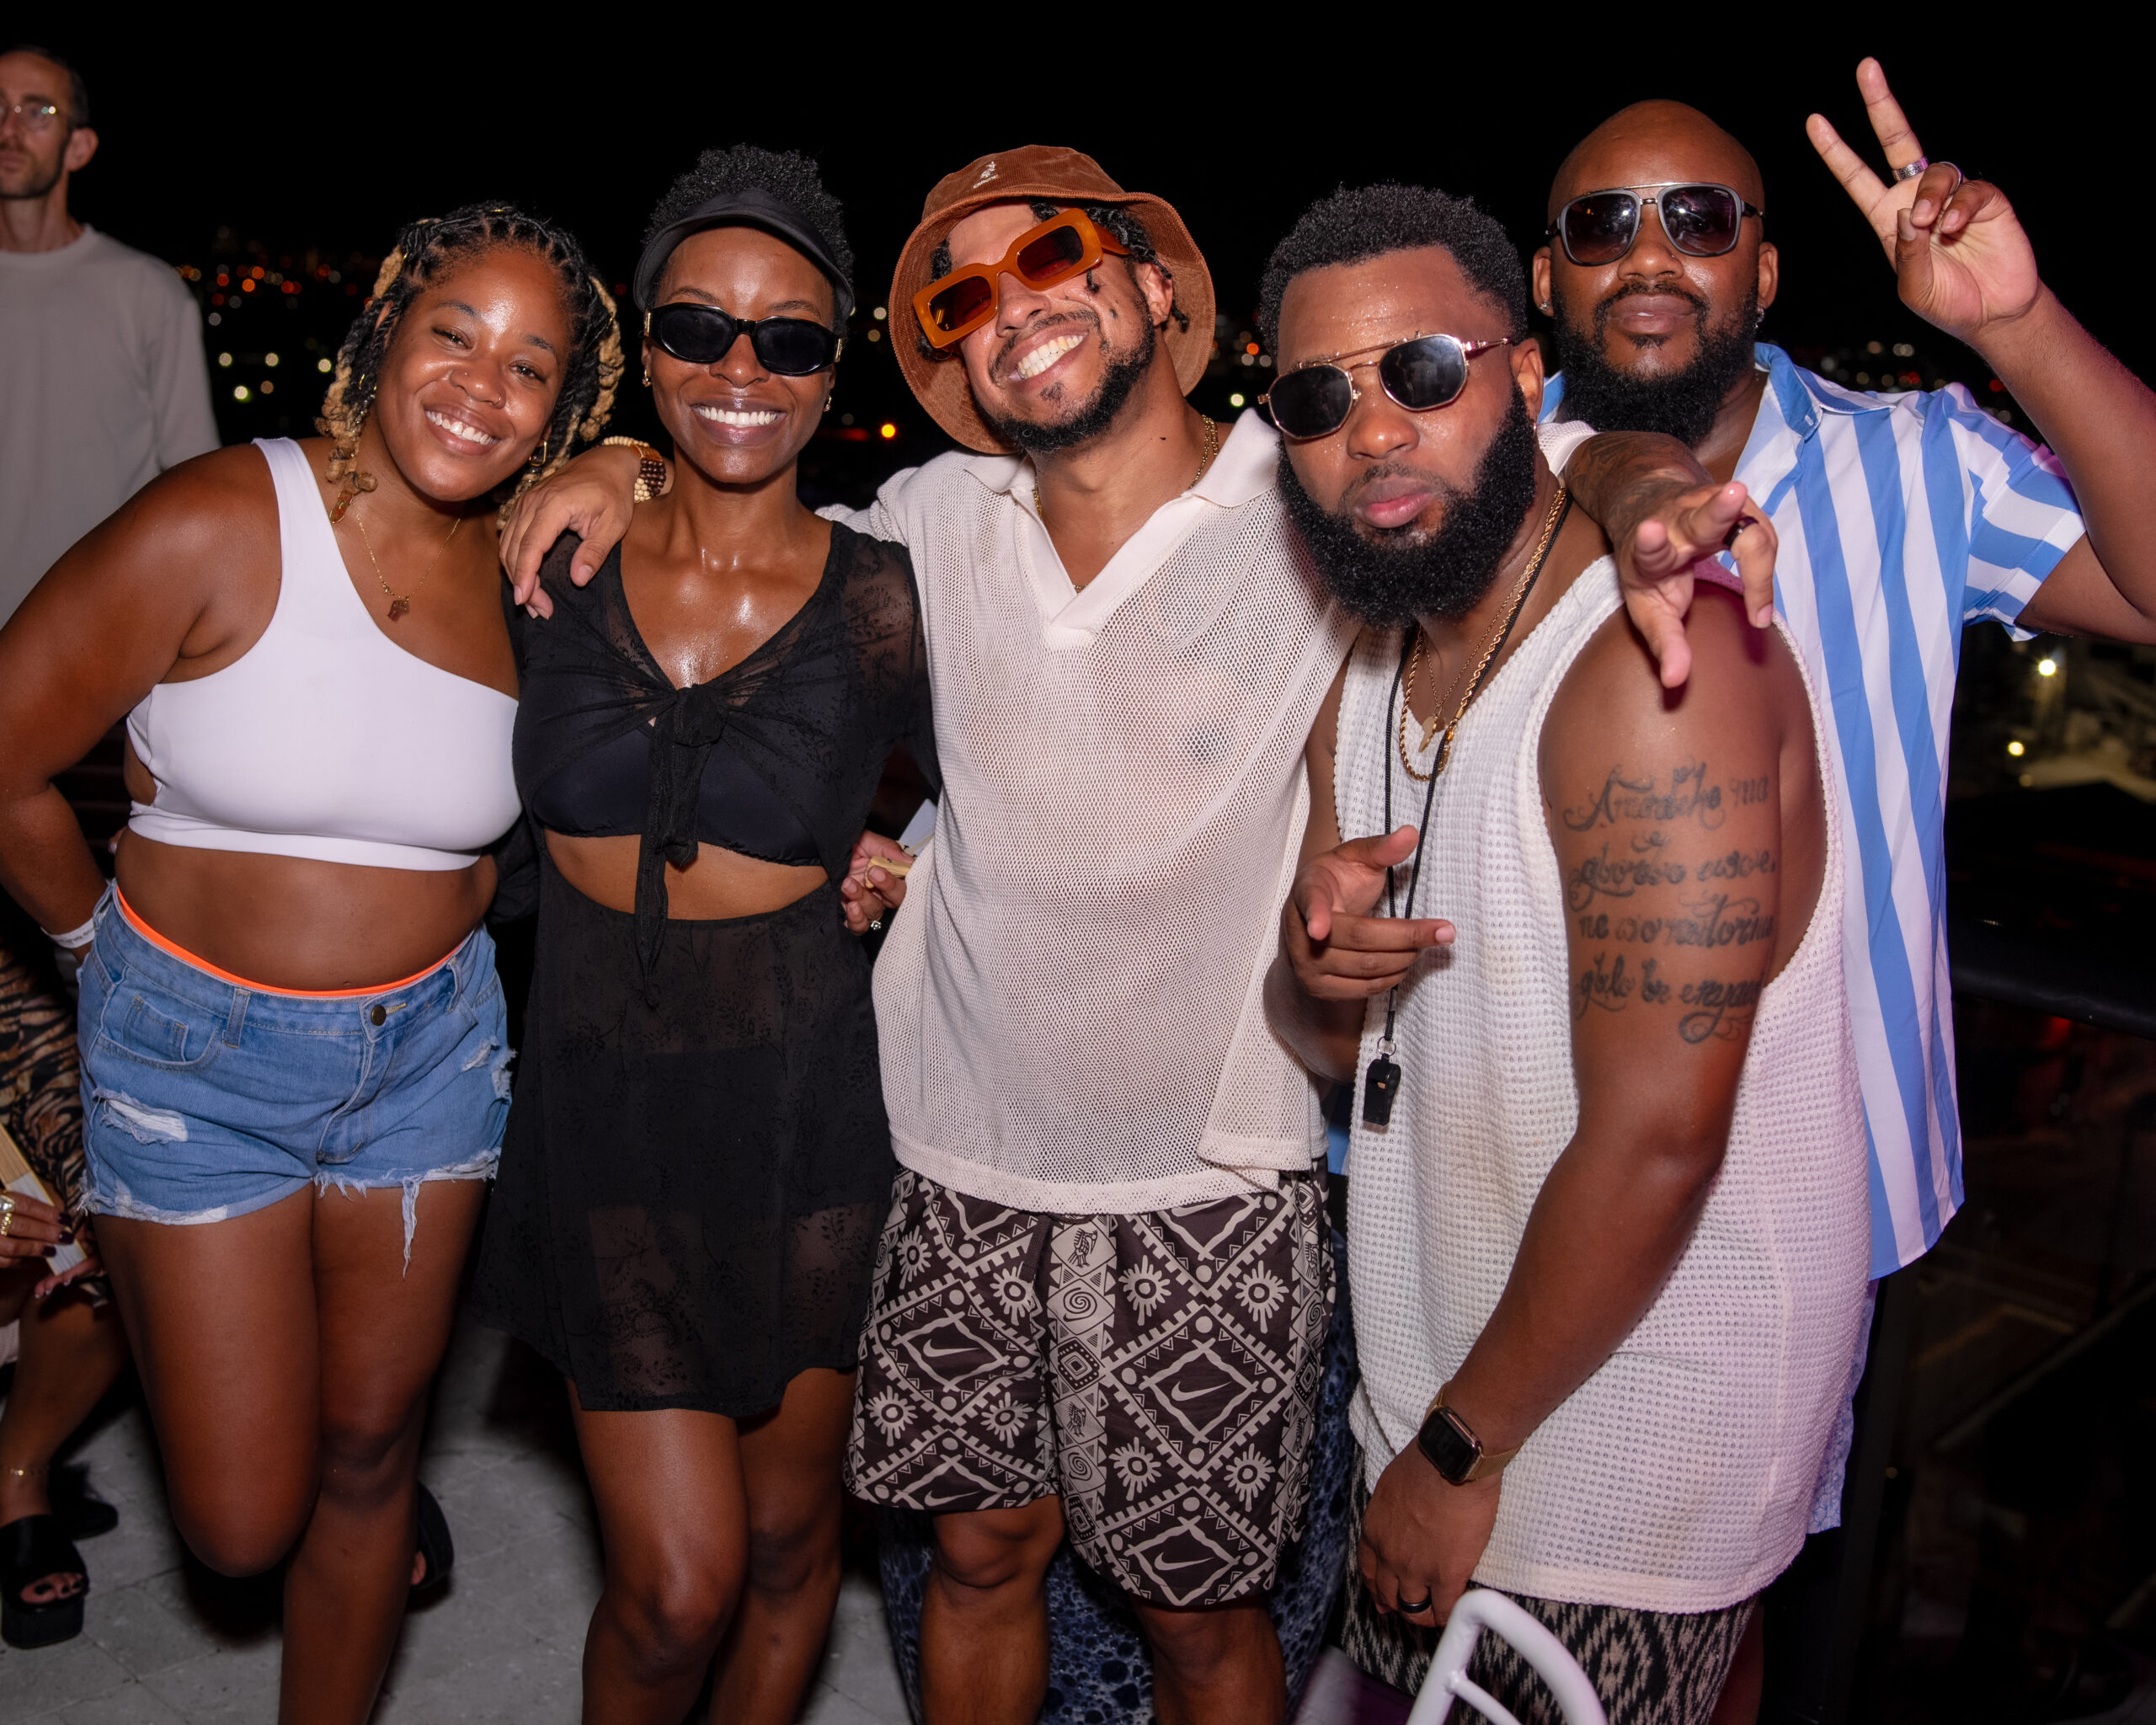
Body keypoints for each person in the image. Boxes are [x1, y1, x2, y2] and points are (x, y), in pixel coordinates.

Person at [503, 146, 1769, 1725]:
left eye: (1054, 258)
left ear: (1152, 285)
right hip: (949, 1166)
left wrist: (1644, 487)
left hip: (1209, 1190)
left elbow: (1525, 449)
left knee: (1198, 1621)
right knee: (975, 1561)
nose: (1015, 308)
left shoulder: (1307, 492)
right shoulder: (925, 522)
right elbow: (741, 512)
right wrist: (619, 464)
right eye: (965, 298)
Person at [1530, 64, 2156, 1704]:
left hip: (1799, 1202)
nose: (1649, 253)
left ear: (1763, 265)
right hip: (1502, 1168)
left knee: (1715, 1632)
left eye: (1697, 219)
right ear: (1545, 276)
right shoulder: (1478, 480)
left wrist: (2017, 325)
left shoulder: (1916, 459)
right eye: (1602, 223)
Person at [1261, 181, 1870, 1725]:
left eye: (1421, 372)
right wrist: (1310, 968)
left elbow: (1662, 1138)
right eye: (1318, 398)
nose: (1372, 430)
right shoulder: (1371, 668)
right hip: (1451, 1388)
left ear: (1528, 376)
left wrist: (1457, 1453)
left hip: (1620, 1449)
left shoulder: (1663, 665)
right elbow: (1345, 1045)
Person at [0, 203, 620, 1717]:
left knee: (370, 1454)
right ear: (385, 333)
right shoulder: (223, 515)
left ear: (563, 409)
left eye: (530, 366)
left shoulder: (540, 577)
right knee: (238, 1521)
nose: (481, 386)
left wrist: (636, 467)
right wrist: (93, 951)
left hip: (433, 1059)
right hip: (191, 1060)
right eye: (453, 334)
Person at [470, 147, 932, 1725]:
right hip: (602, 1108)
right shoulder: (551, 560)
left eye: (789, 338)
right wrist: (605, 457)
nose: (743, 369)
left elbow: (1023, 798)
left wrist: (912, 865)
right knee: (676, 1587)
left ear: (833, 366)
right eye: (699, 327)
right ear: (647, 343)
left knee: (795, 1546)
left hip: (810, 1115)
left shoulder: (886, 600)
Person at [0, 44, 217, 626]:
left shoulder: (148, 293)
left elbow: (196, 481)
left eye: (37, 111)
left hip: (100, 632)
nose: (9, 129)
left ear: (79, 147)